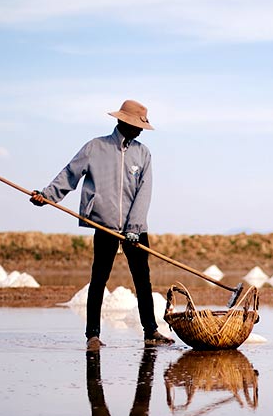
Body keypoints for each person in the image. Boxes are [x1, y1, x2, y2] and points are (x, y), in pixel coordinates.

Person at [31, 99, 174, 349]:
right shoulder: (95, 147)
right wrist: (46, 195)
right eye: (137, 125)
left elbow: (144, 192)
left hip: (135, 229)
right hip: (105, 225)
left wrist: (133, 228)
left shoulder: (143, 154)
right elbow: (69, 174)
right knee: (99, 278)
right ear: (123, 122)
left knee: (143, 280)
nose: (140, 130)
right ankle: (92, 335)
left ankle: (150, 331)